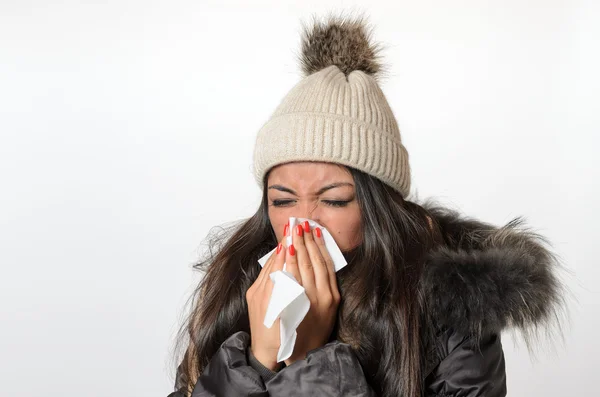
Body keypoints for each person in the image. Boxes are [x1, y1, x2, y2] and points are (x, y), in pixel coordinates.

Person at [168, 12, 565, 397]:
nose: (302, 224)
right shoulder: (235, 283)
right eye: (282, 200)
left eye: (335, 200)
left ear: (380, 207)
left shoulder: (449, 309)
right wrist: (257, 362)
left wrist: (309, 360)